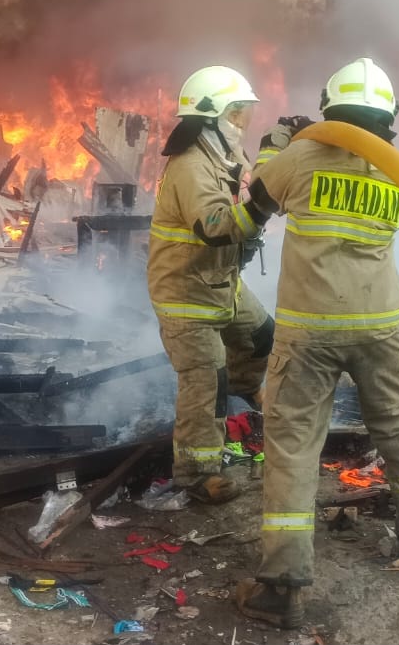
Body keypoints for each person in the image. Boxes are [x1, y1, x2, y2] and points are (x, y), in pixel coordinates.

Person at [235, 57, 399, 629]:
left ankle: (282, 585)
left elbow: (258, 199)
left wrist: (279, 142)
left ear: (329, 109)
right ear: (389, 116)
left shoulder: (301, 156)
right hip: (379, 324)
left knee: (295, 444)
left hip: (309, 329)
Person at [148, 65, 277, 505]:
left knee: (262, 338)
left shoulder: (222, 155)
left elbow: (249, 188)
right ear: (212, 116)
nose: (244, 122)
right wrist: (262, 204)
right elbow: (216, 226)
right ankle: (197, 473)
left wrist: (275, 158)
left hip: (221, 281)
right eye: (238, 113)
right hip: (186, 291)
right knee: (206, 378)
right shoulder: (190, 166)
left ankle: (243, 388)